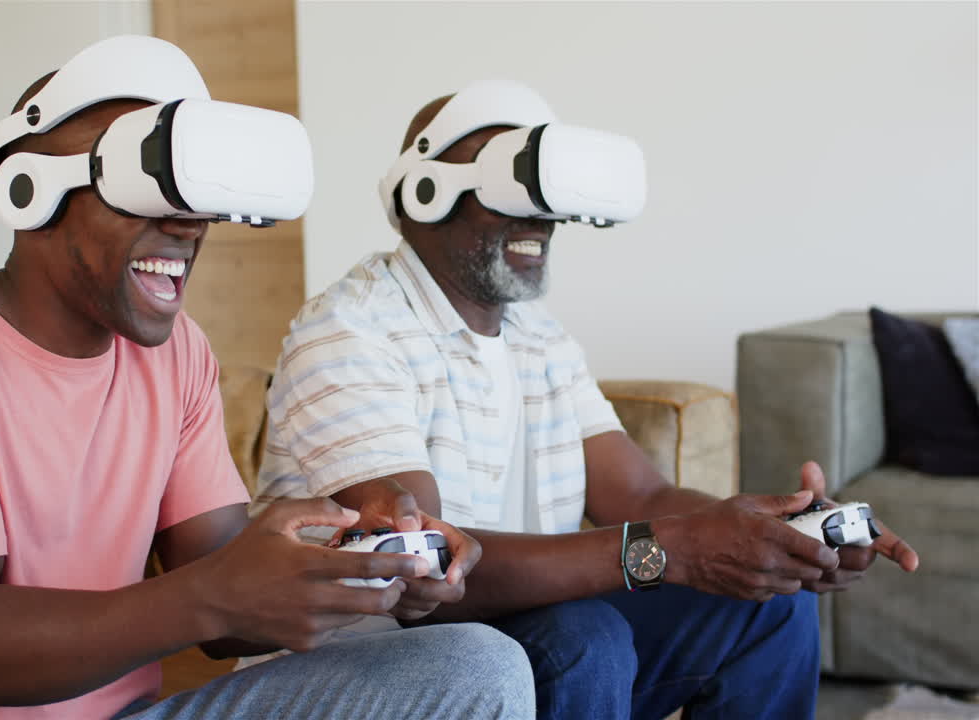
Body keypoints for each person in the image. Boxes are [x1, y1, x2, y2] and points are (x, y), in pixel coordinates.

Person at [0, 36, 535, 719]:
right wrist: (215, 595)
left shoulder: (176, 354)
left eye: (195, 196)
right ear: (30, 189)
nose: (192, 225)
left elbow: (227, 604)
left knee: (478, 664)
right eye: (147, 188)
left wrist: (374, 579)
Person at [252, 79, 921, 720]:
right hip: (381, 670)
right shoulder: (349, 330)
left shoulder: (540, 336)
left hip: (537, 639)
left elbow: (644, 501)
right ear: (425, 194)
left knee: (768, 604)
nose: (541, 214)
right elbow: (426, 571)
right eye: (514, 185)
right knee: (583, 635)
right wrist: (670, 549)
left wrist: (775, 536)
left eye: (548, 190)